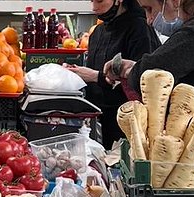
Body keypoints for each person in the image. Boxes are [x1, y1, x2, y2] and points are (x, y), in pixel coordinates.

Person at [105, 0, 194, 149]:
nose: (149, 20)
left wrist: (129, 71)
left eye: (149, 9)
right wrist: (132, 68)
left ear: (174, 1)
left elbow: (148, 73)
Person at [67, 0, 160, 149]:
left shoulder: (140, 28)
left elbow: (146, 80)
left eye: (100, 1)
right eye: (92, 1)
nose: (94, 7)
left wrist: (95, 76)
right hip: (97, 120)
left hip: (128, 123)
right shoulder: (97, 33)